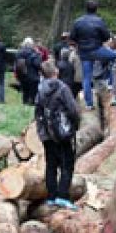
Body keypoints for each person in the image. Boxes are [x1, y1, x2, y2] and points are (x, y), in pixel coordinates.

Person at [35, 61, 81, 209]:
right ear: (56, 72)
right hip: (63, 133)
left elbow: (38, 112)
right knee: (67, 165)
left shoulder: (40, 89)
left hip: (47, 134)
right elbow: (73, 110)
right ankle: (63, 196)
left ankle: (51, 197)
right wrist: (74, 126)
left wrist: (42, 133)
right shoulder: (62, 88)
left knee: (51, 165)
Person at [70, 0, 116, 110]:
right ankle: (110, 82)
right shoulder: (99, 21)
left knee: (86, 77)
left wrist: (80, 43)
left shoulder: (78, 22)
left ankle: (89, 104)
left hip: (84, 52)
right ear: (96, 9)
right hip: (97, 49)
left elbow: (72, 37)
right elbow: (106, 36)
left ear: (86, 8)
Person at [15, 37, 42, 106]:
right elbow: (37, 64)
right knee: (33, 94)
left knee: (25, 93)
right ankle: (31, 105)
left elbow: (16, 65)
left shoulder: (19, 53)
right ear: (32, 44)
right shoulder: (34, 53)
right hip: (33, 76)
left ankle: (24, 104)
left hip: (22, 75)